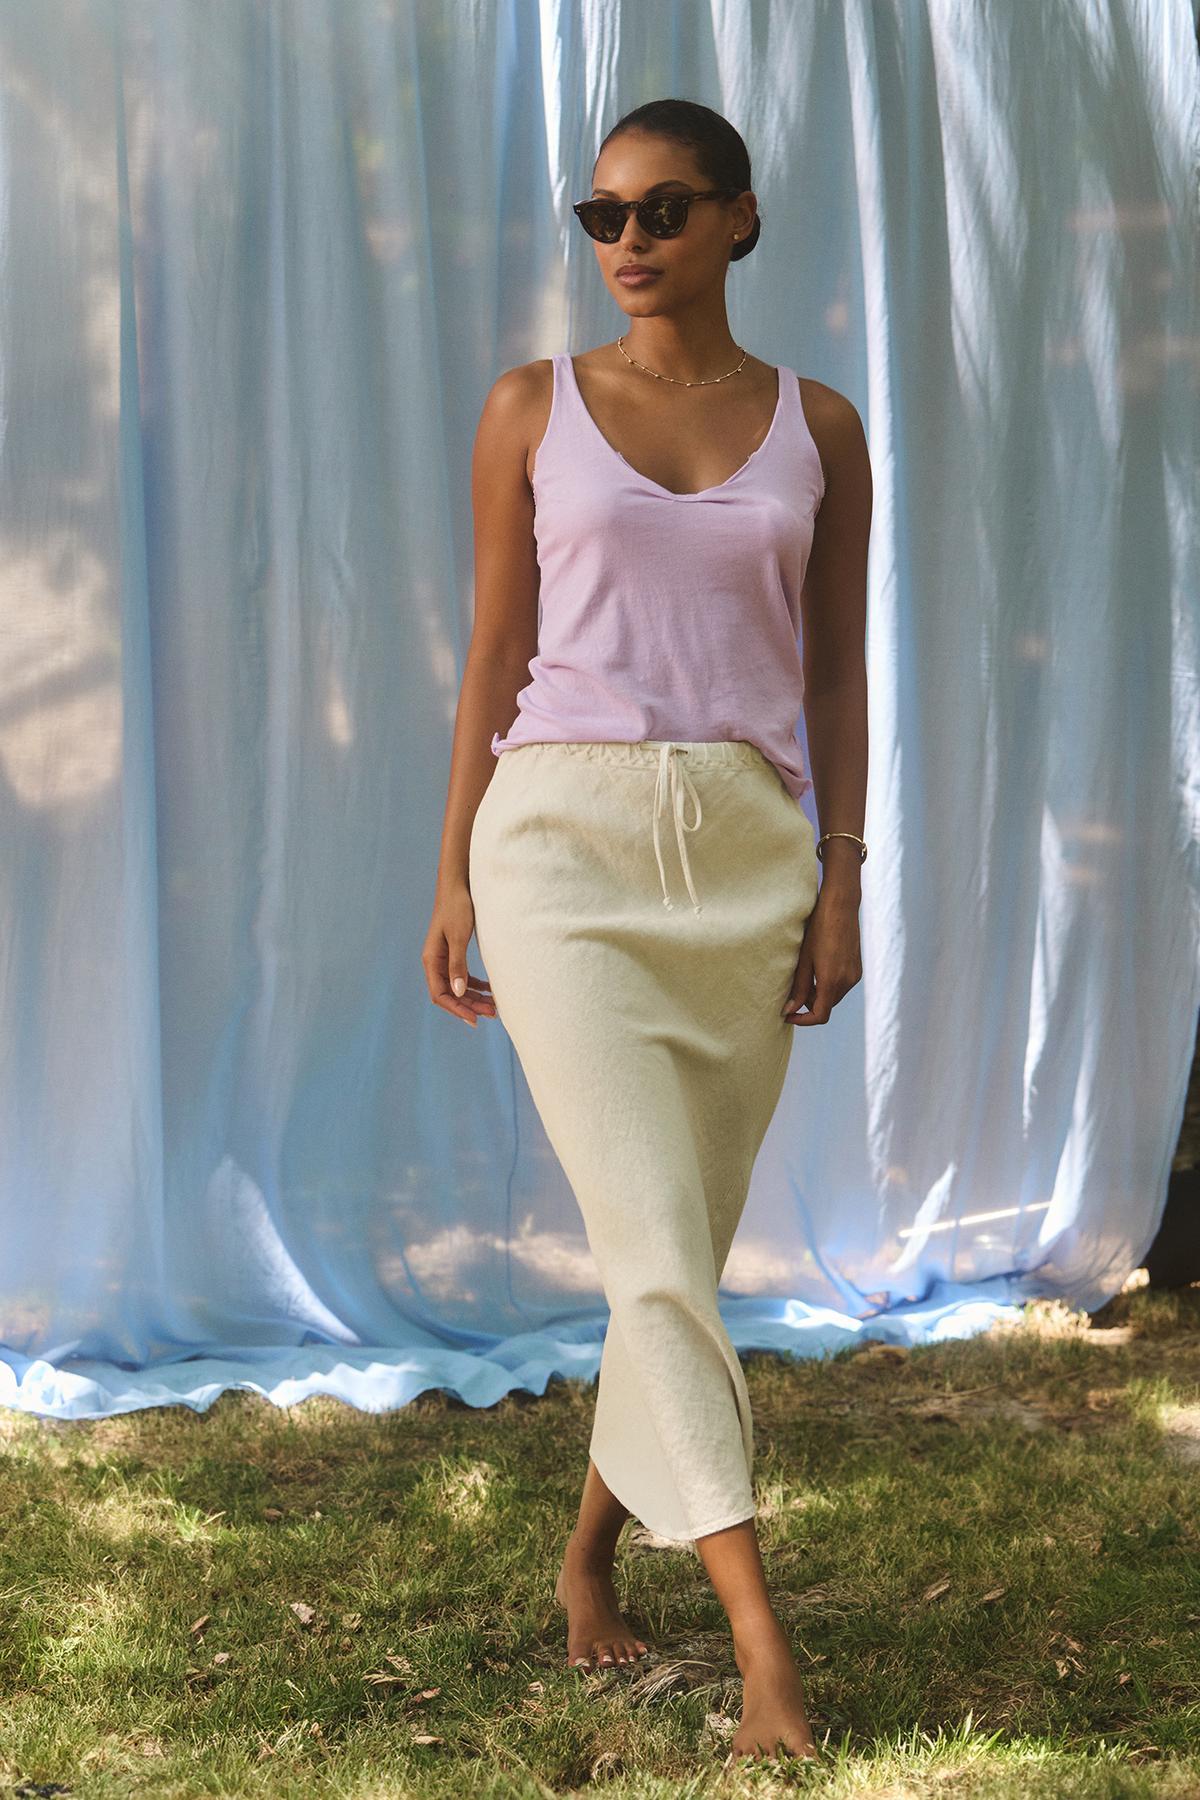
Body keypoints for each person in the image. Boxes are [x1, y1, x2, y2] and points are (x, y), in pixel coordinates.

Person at [423, 96, 871, 1768]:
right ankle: (768, 1654)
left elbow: (835, 674)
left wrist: (845, 876)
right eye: (601, 215)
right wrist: (454, 870)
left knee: (667, 1247)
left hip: (752, 862)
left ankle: (591, 1560)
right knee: (661, 1255)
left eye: (666, 210)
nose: (628, 243)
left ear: (742, 220)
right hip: (561, 852)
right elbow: (490, 656)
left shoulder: (819, 424)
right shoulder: (533, 409)